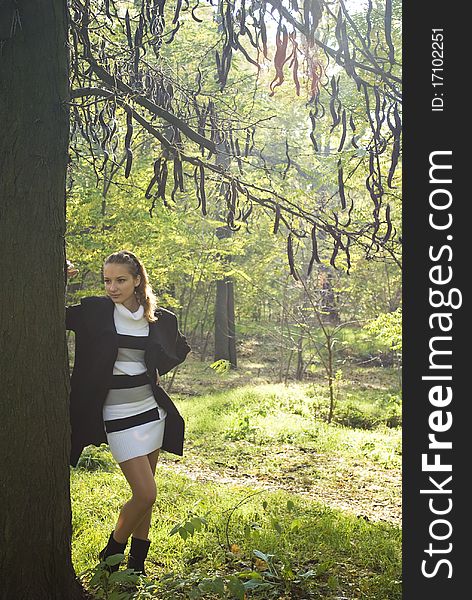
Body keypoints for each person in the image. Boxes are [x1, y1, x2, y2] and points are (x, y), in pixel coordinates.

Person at [66, 250, 191, 576]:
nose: (112, 287)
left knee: (146, 495)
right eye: (107, 280)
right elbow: (58, 314)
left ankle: (136, 564)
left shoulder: (158, 319)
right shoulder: (95, 312)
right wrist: (62, 280)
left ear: (137, 280)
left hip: (150, 411)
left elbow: (175, 349)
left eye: (120, 280)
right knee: (147, 492)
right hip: (116, 413)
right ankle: (111, 554)